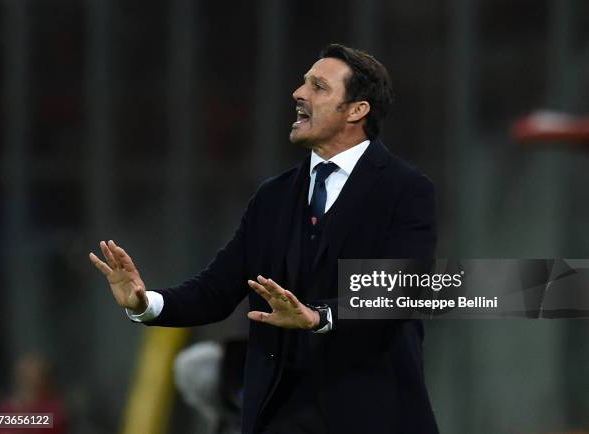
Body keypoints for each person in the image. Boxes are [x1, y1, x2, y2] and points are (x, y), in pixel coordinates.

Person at [89, 43, 439, 434]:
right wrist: (146, 302)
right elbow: (217, 290)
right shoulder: (272, 197)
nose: (299, 94)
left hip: (372, 415)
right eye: (303, 83)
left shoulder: (405, 190)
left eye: (318, 87)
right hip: (279, 415)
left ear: (357, 111)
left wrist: (319, 317)